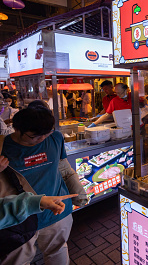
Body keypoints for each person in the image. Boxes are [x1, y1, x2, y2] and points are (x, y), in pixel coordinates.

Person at [1, 101, 86, 264]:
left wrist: (78, 190)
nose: (41, 139)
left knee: (57, 252)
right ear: (17, 129)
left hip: (57, 212)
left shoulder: (55, 137)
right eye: (34, 136)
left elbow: (63, 166)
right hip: (20, 219)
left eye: (45, 134)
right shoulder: (3, 146)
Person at [0, 155, 77, 230]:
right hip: (19, 224)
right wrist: (36, 202)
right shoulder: (5, 146)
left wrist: (38, 202)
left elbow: (63, 165)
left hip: (57, 214)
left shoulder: (56, 142)